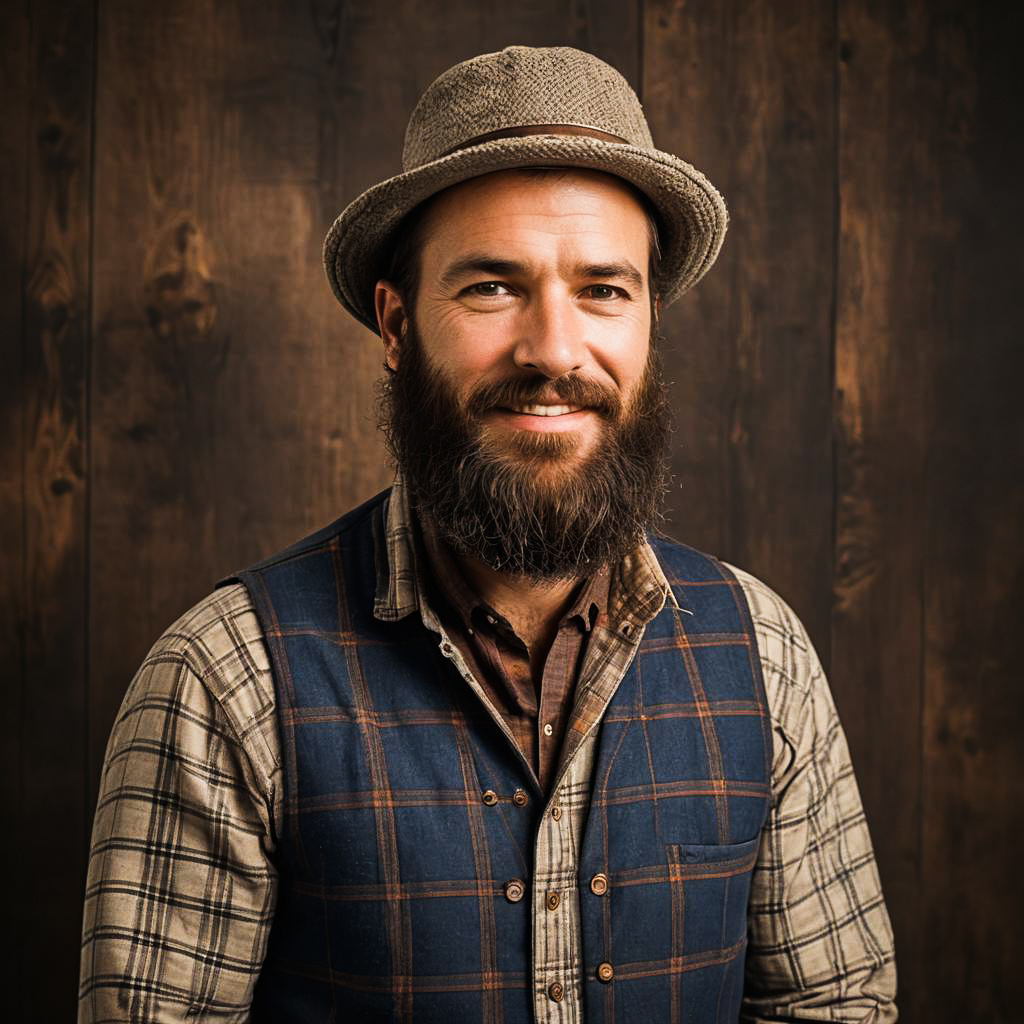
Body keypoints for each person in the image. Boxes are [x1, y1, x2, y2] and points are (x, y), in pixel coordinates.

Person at [79, 46, 896, 1023]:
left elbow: (836, 1007)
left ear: (650, 323)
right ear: (395, 324)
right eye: (492, 287)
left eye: (603, 289)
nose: (554, 350)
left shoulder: (766, 656)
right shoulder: (225, 679)